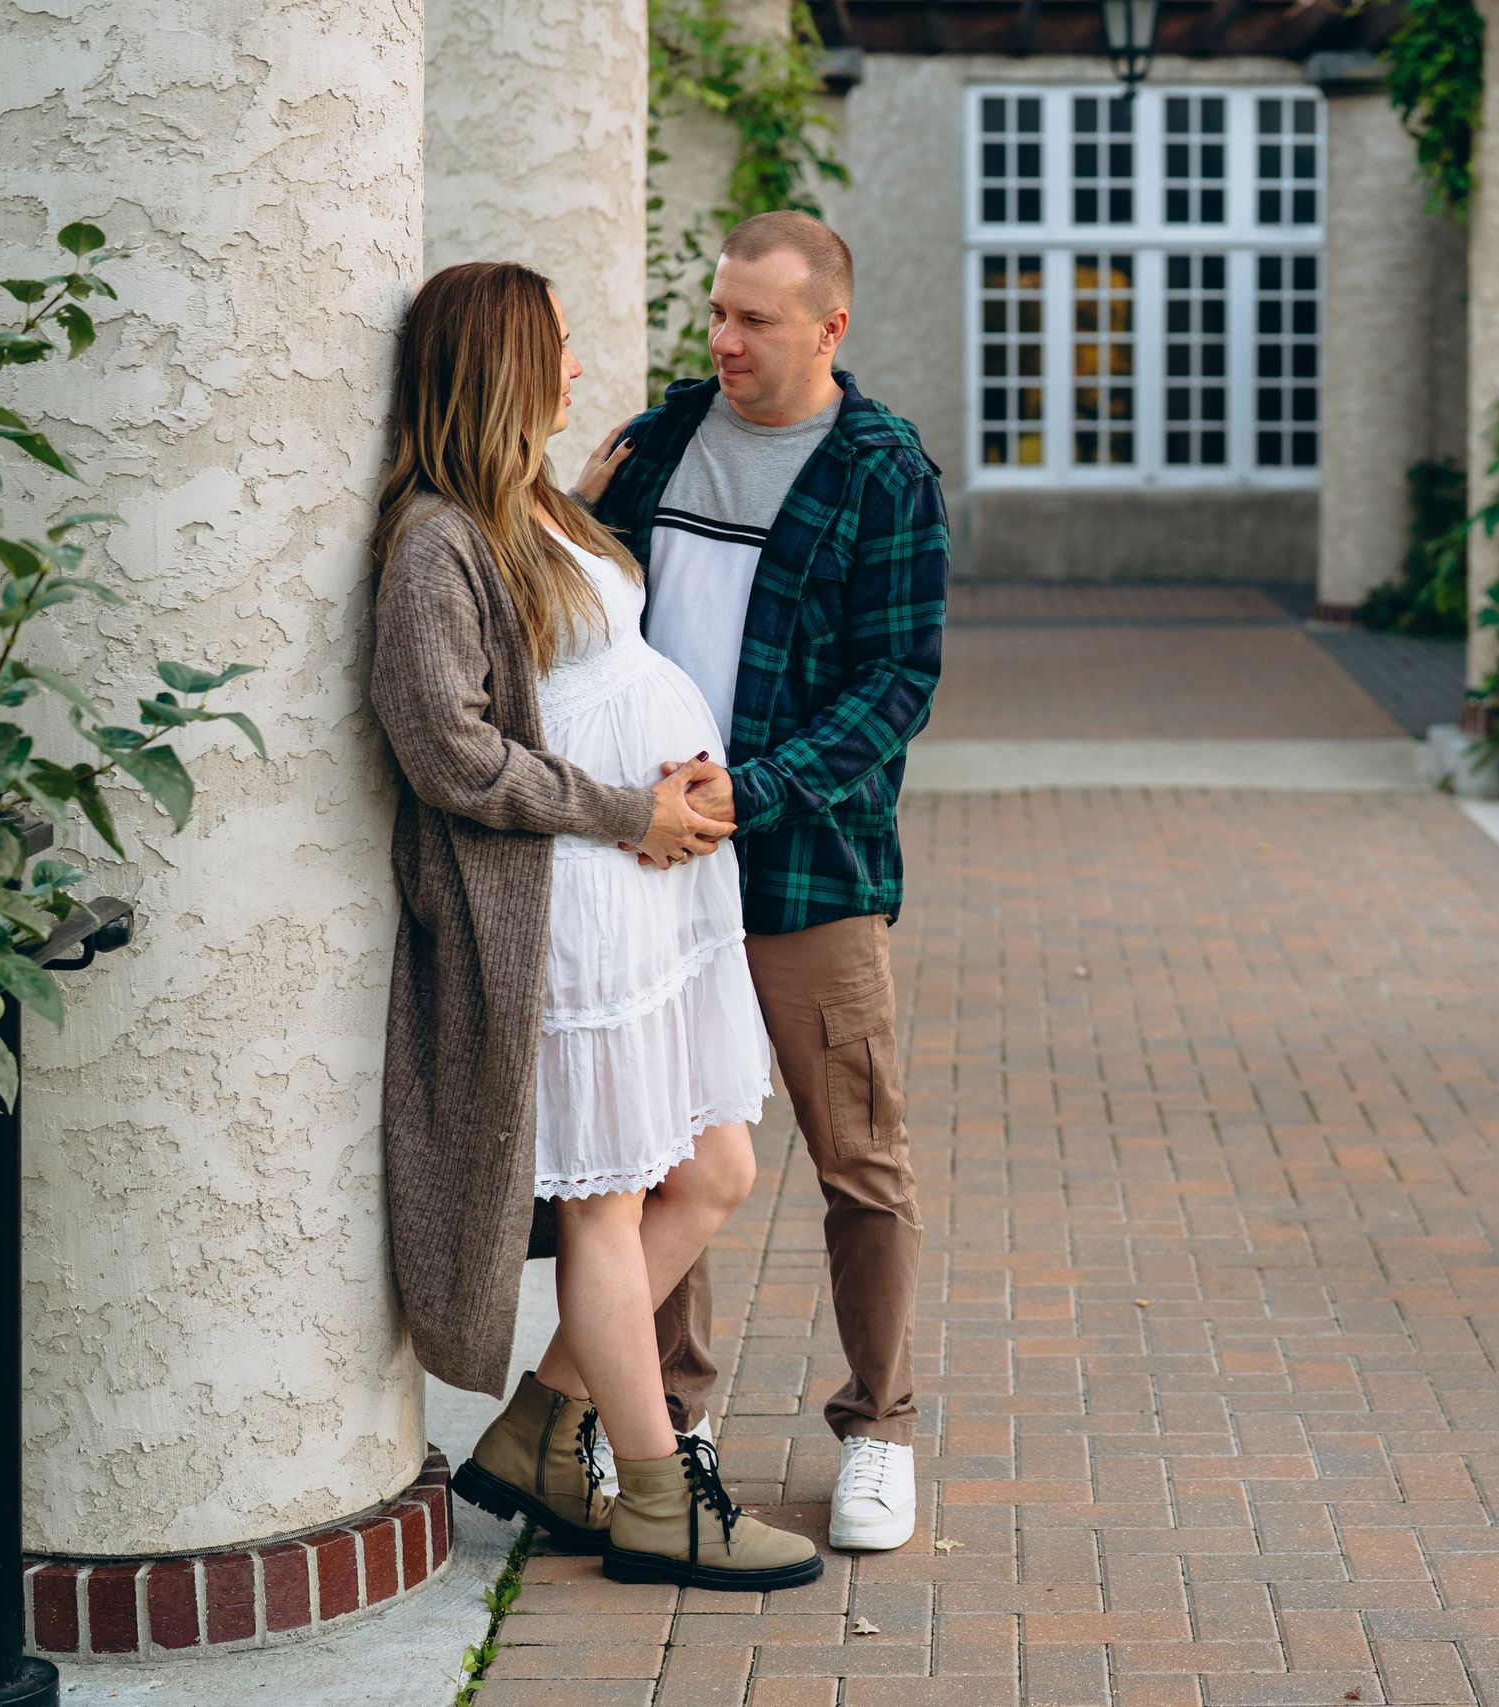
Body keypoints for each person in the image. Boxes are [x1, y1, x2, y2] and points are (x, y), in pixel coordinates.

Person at [370, 259, 819, 1591]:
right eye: (559, 350)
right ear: (505, 365)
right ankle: (659, 1492)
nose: (577, 371)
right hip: (571, 896)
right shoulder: (434, 540)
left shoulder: (540, 503)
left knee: (718, 1170)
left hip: (646, 889)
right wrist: (631, 807)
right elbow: (449, 753)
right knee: (612, 1211)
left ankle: (533, 1436)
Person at [574, 210, 947, 1554]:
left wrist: (763, 784)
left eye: (757, 322)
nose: (725, 341)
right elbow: (586, 612)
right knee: (665, 1147)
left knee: (859, 1156)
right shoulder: (666, 438)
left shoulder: (882, 472)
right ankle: (672, 1418)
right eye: (718, 315)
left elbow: (893, 685)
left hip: (808, 863)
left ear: (829, 329)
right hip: (658, 857)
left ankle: (881, 1430)